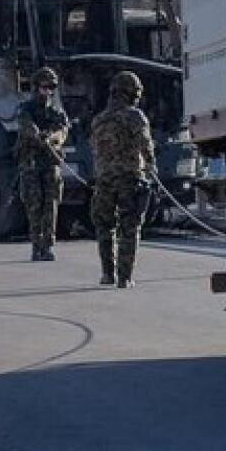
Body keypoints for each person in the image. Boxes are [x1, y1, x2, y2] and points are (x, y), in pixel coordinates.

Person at [90, 71, 156, 288]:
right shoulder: (135, 116)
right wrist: (151, 167)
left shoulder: (98, 120)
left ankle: (107, 274)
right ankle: (125, 277)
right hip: (129, 179)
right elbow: (145, 145)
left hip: (104, 181)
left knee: (104, 227)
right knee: (129, 227)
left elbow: (95, 150)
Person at [15, 66, 69, 261]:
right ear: (36, 87)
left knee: (51, 203)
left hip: (50, 162)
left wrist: (52, 138)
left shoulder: (56, 112)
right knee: (34, 204)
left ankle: (47, 245)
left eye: (51, 87)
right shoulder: (25, 109)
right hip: (31, 161)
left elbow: (62, 131)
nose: (48, 92)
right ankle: (36, 244)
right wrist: (38, 137)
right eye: (44, 87)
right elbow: (26, 126)